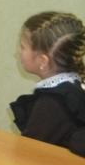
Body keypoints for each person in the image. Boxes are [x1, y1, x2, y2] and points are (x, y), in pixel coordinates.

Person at [10, 11, 85, 156]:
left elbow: (29, 154)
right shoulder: (74, 88)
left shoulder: (52, 103)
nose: (18, 52)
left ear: (43, 61)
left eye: (23, 47)